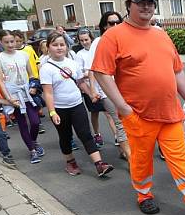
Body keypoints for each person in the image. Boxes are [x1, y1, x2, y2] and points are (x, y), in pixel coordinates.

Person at [92, 0, 185, 215]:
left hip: (170, 111)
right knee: (142, 159)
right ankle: (144, 195)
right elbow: (102, 72)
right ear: (129, 5)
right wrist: (122, 107)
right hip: (138, 114)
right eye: (140, 2)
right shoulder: (113, 36)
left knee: (181, 158)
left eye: (150, 2)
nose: (146, 7)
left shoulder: (161, 35)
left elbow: (177, 71)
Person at [40, 31, 114, 177]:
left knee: (85, 134)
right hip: (60, 109)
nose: (59, 48)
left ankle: (99, 165)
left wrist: (91, 93)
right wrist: (52, 112)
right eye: (55, 45)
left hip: (77, 105)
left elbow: (80, 83)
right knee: (65, 136)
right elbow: (48, 93)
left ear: (67, 47)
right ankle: (70, 162)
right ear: (48, 47)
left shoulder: (72, 63)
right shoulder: (46, 68)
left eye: (62, 45)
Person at [0, 29, 43, 164]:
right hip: (13, 94)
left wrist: (33, 86)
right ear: (1, 42)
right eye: (6, 42)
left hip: (27, 92)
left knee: (35, 122)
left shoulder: (24, 55)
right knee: (22, 123)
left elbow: (31, 74)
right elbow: (0, 81)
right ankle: (32, 150)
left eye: (12, 41)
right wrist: (8, 99)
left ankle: (33, 141)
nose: (10, 44)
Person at [88, 11, 130, 161]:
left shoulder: (125, 39)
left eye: (118, 22)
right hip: (107, 89)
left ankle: (122, 149)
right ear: (104, 26)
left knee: (130, 122)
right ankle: (131, 159)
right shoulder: (99, 42)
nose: (115, 25)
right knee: (120, 121)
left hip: (126, 88)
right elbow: (93, 68)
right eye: (111, 23)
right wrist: (93, 90)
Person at [75, 28, 106, 147]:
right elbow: (79, 73)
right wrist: (89, 73)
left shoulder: (98, 49)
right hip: (89, 86)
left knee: (109, 112)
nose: (84, 42)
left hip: (102, 84)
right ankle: (97, 133)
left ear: (91, 39)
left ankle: (117, 136)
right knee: (95, 112)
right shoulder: (79, 55)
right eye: (81, 40)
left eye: (86, 39)